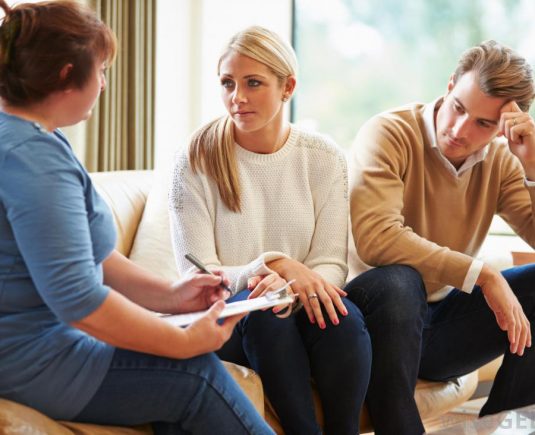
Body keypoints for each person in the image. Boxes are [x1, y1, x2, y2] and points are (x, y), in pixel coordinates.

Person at [0, 2, 274, 434]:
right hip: (28, 358)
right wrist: (182, 340)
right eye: (101, 70)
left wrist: (172, 295)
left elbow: (92, 257)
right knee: (194, 376)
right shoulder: (34, 160)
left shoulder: (28, 137)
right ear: (67, 74)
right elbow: (77, 300)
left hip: (32, 346)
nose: (105, 84)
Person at [169, 26, 372, 435]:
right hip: (228, 316)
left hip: (296, 302)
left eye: (253, 83)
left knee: (344, 319)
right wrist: (270, 266)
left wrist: (294, 284)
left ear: (288, 87)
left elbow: (330, 262)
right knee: (267, 315)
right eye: (228, 83)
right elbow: (198, 274)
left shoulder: (323, 157)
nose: (236, 98)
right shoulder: (195, 160)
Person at [347, 40, 535, 435]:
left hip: (436, 327)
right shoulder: (390, 132)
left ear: (503, 128)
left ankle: (504, 427)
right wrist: (482, 274)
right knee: (401, 281)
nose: (459, 130)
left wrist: (532, 166)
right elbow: (376, 238)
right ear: (450, 86)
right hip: (368, 322)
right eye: (459, 108)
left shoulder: (501, 160)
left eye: (483, 124)